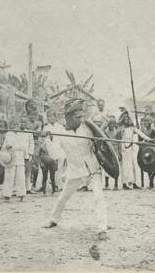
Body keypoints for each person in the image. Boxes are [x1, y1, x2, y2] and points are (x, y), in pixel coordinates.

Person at [42, 99, 110, 238]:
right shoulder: (60, 133)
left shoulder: (87, 128)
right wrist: (48, 138)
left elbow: (101, 143)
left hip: (92, 169)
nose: (81, 119)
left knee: (99, 197)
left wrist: (100, 141)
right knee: (63, 197)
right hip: (75, 171)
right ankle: (53, 219)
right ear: (68, 118)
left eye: (82, 116)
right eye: (78, 117)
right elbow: (55, 154)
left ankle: (102, 228)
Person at [0, 116, 33, 201]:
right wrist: (7, 148)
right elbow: (4, 146)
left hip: (20, 157)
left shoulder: (23, 134)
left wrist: (26, 157)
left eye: (17, 124)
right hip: (10, 157)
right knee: (9, 176)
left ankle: (21, 194)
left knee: (20, 177)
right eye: (13, 124)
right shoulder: (8, 134)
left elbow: (24, 147)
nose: (15, 126)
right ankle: (7, 194)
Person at [118, 110, 153, 190]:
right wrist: (119, 151)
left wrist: (149, 139)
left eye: (127, 117)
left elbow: (140, 133)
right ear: (122, 119)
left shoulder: (132, 128)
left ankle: (133, 183)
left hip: (130, 148)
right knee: (124, 166)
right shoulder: (120, 128)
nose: (126, 119)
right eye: (124, 118)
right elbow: (119, 140)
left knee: (132, 165)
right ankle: (124, 183)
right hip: (123, 148)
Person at [39, 109, 60, 194]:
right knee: (46, 168)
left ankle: (57, 185)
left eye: (52, 116)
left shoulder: (59, 126)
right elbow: (43, 137)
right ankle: (45, 186)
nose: (50, 118)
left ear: (55, 117)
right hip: (49, 148)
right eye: (48, 116)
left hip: (58, 148)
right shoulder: (46, 127)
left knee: (57, 168)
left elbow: (61, 138)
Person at [24, 99, 43, 194]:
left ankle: (34, 184)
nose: (33, 116)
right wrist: (33, 131)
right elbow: (26, 130)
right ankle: (25, 185)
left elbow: (38, 132)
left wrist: (33, 131)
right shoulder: (25, 120)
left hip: (35, 143)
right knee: (26, 164)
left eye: (35, 115)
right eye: (31, 114)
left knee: (35, 163)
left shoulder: (39, 122)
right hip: (26, 143)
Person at [138, 115, 155, 189]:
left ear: (150, 122)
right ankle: (150, 181)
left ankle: (152, 179)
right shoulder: (143, 130)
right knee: (147, 163)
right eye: (145, 121)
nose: (146, 123)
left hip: (154, 147)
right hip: (146, 147)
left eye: (148, 121)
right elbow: (140, 139)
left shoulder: (153, 129)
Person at [104, 115, 120, 190]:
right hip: (108, 152)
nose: (112, 125)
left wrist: (119, 153)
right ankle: (106, 184)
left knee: (115, 167)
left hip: (115, 152)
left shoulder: (117, 132)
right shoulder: (105, 132)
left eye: (113, 123)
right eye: (110, 123)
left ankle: (116, 184)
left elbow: (119, 143)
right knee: (106, 168)